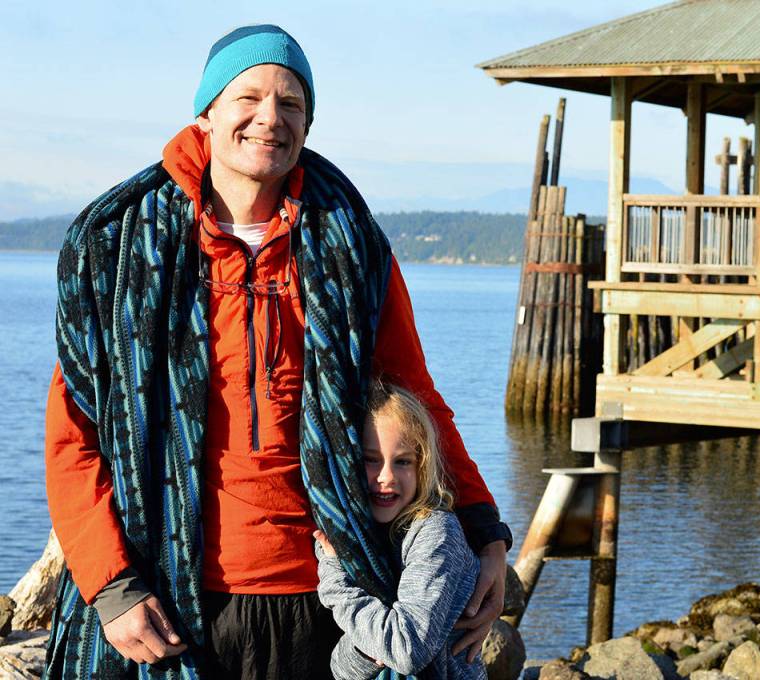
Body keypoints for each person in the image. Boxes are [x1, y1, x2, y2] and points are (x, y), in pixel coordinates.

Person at [44, 25, 511, 679]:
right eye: (249, 98)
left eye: (291, 103)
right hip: (174, 595)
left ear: (307, 125)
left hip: (333, 591)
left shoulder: (351, 245)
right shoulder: (118, 250)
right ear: (206, 115)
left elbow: (415, 400)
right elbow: (75, 435)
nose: (270, 117)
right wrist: (111, 584)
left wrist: (484, 530)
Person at [313, 381, 486, 680]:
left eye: (402, 461)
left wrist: (336, 584)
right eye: (371, 460)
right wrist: (372, 647)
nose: (387, 477)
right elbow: (342, 668)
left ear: (422, 466)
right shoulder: (354, 538)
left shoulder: (435, 532)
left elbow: (407, 651)